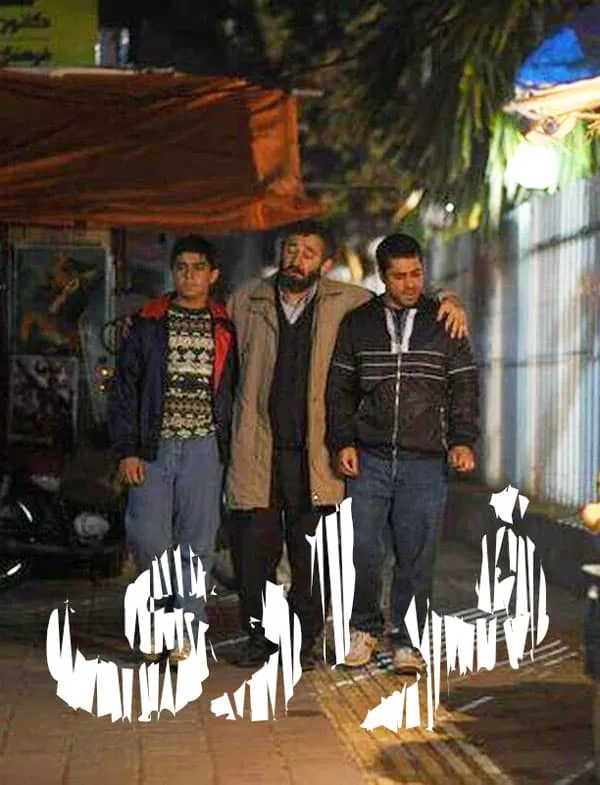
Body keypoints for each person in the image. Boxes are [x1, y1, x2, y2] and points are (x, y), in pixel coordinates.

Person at [225, 220, 468, 670]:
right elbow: (236, 374)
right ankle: (273, 637)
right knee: (267, 550)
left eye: (309, 253)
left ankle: (317, 642)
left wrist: (449, 300)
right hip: (273, 447)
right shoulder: (248, 302)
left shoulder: (351, 303)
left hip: (333, 453)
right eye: (291, 249)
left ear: (326, 263)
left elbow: (413, 309)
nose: (298, 259)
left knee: (322, 555)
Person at [326, 232, 479, 674]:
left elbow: (464, 386)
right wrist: (343, 441)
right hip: (369, 458)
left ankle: (408, 643)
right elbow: (339, 389)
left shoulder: (444, 321)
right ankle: (363, 629)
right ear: (382, 276)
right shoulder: (358, 324)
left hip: (425, 460)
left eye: (416, 274)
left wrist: (463, 440)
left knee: (417, 556)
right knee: (362, 550)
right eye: (399, 276)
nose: (410, 284)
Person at [108, 234, 237, 662]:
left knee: (196, 545)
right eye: (181, 267)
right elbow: (125, 390)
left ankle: (186, 631)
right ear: (173, 272)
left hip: (204, 447)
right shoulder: (148, 324)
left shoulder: (226, 326)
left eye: (198, 268)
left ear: (213, 275)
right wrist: (126, 450)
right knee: (147, 539)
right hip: (153, 448)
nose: (189, 275)